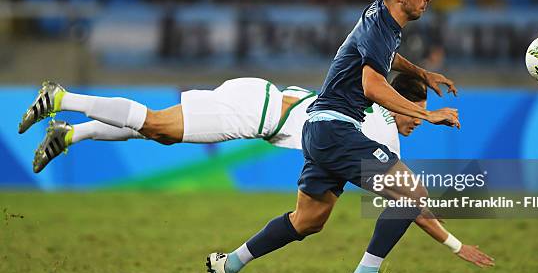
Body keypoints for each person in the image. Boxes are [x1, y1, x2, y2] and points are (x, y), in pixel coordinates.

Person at [206, 0, 493, 273]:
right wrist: (426, 113)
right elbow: (372, 85)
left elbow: (384, 57)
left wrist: (422, 72)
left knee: (308, 221)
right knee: (411, 193)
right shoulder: (380, 27)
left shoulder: (380, 19)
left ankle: (228, 265)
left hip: (322, 129)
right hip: (335, 128)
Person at [17, 77, 400, 173]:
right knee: (155, 123)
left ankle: (69, 134)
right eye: (414, 112)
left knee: (160, 133)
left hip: (258, 95)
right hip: (258, 114)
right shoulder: (381, 127)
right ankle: (61, 99)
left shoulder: (361, 101)